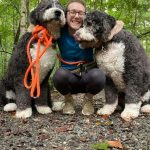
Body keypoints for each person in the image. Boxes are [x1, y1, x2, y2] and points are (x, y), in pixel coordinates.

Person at [53, 0, 106, 115]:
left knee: (99, 75)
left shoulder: (90, 29)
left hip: (88, 76)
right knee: (58, 75)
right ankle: (68, 100)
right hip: (68, 77)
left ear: (85, 16)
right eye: (72, 12)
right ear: (66, 14)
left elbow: (113, 28)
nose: (76, 16)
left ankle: (88, 99)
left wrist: (96, 42)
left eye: (80, 13)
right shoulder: (58, 30)